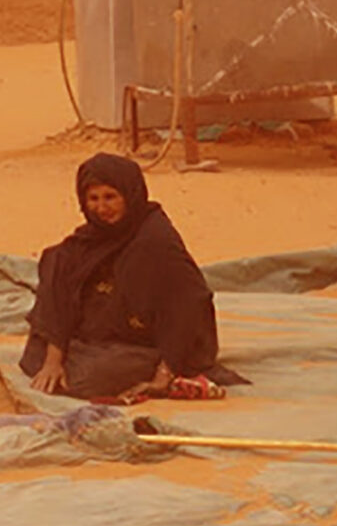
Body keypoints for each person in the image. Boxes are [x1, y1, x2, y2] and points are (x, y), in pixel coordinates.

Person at [20, 153, 244, 401]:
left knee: (90, 377)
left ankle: (166, 374)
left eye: (110, 197)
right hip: (105, 332)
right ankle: (70, 357)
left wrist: (163, 374)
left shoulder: (154, 243)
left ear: (130, 195)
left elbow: (188, 306)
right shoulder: (91, 238)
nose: (101, 208)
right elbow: (58, 289)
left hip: (153, 342)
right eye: (93, 198)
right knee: (37, 353)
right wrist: (54, 360)